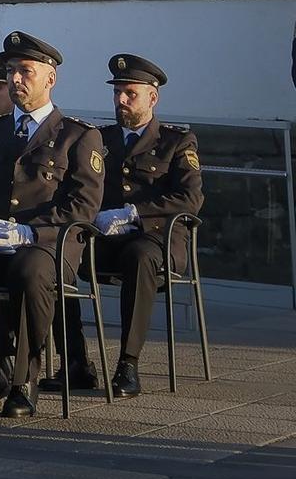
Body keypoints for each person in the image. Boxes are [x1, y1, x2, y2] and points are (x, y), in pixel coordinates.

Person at [0, 31, 103, 416]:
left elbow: (84, 205)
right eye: (12, 71)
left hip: (49, 246)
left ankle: (24, 379)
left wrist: (30, 231)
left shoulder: (77, 136)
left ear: (50, 78)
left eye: (26, 71)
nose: (15, 79)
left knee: (27, 269)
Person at [50, 53, 202, 399]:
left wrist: (135, 212)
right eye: (117, 92)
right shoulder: (98, 139)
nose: (120, 100)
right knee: (59, 258)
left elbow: (190, 199)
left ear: (153, 97)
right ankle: (75, 363)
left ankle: (127, 364)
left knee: (139, 257)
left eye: (129, 93)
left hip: (156, 241)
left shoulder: (177, 142)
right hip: (104, 238)